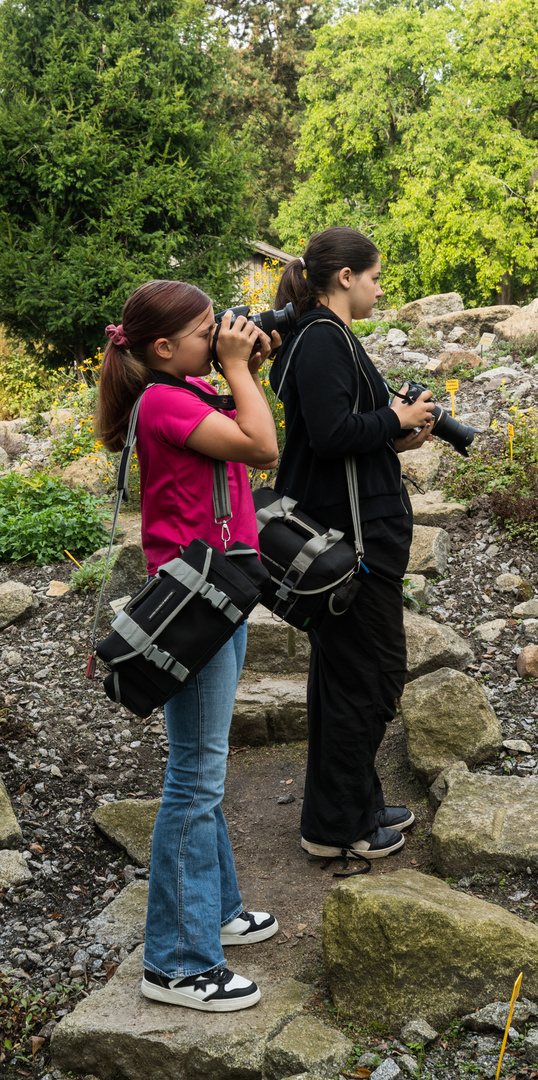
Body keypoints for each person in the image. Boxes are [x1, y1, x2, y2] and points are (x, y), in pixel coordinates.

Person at [97, 280, 280, 1011]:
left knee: (204, 765)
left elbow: (245, 426)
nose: (221, 337)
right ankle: (174, 962)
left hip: (216, 594)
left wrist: (245, 368)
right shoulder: (170, 400)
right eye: (210, 331)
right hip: (195, 606)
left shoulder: (184, 391)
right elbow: (264, 447)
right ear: (164, 348)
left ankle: (219, 909)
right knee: (194, 779)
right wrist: (237, 371)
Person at [270, 227, 436, 865]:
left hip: (362, 532)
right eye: (373, 276)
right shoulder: (321, 339)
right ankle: (338, 826)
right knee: (370, 678)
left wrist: (397, 436)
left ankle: (354, 803)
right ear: (344, 277)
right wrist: (394, 418)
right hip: (353, 546)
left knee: (349, 677)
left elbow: (334, 440)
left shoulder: (326, 338)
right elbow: (334, 433)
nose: (380, 287)